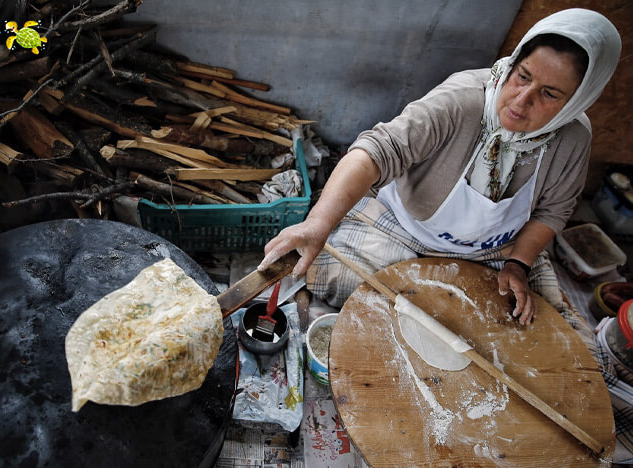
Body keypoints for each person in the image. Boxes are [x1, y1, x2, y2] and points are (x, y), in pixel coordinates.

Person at [258, 8, 621, 328]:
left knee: (536, 329)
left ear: (578, 100)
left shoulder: (572, 138)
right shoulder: (463, 100)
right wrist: (318, 223)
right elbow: (375, 152)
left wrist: (519, 264)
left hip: (493, 251)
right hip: (401, 228)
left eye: (550, 94)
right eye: (522, 75)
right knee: (343, 278)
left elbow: (553, 211)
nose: (521, 100)